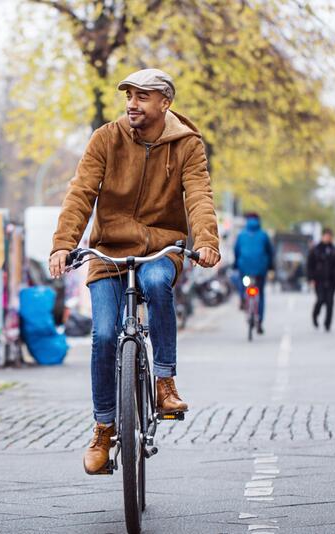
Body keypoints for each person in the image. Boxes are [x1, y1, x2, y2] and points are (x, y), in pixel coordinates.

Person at [48, 68, 220, 475]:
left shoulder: (187, 145)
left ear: (165, 103)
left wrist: (207, 240)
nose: (132, 103)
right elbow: (81, 192)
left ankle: (164, 383)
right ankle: (104, 428)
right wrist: (63, 243)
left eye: (142, 96)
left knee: (159, 282)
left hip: (162, 246)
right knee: (104, 334)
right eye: (128, 95)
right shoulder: (106, 138)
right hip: (107, 250)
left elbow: (199, 193)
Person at [233, 213, 274, 334]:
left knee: (243, 284)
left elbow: (236, 251)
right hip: (260, 270)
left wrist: (236, 264)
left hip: (244, 268)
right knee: (260, 294)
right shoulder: (264, 235)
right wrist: (270, 266)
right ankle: (259, 320)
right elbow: (270, 252)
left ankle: (242, 299)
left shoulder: (241, 235)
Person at [306, 228, 335, 332]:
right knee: (320, 299)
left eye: (329, 236)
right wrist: (311, 278)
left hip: (332, 280)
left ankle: (327, 324)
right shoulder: (315, 250)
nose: (328, 238)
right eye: (326, 236)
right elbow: (310, 265)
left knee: (330, 302)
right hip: (319, 280)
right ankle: (315, 315)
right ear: (323, 236)